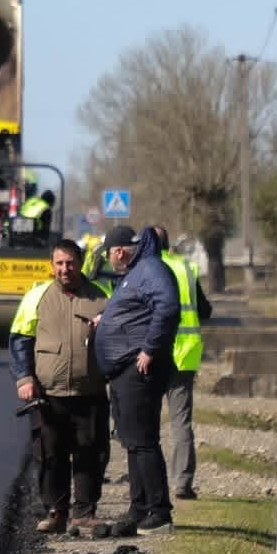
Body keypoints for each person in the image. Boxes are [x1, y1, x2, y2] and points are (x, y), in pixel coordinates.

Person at [7, 240, 111, 536]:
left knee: (90, 453)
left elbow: (118, 340)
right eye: (59, 263)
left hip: (89, 392)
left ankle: (84, 513)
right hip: (48, 394)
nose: (65, 269)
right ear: (52, 266)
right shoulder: (37, 296)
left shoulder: (103, 297)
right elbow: (19, 340)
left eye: (70, 263)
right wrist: (25, 378)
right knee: (50, 454)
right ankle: (56, 512)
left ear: (80, 263)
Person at [88, 223, 180, 537]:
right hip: (125, 370)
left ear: (119, 252)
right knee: (132, 442)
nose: (109, 261)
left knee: (143, 441)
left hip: (138, 369)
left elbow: (167, 307)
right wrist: (107, 319)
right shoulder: (138, 271)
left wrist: (150, 349)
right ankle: (138, 508)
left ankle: (159, 512)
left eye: (109, 255)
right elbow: (136, 310)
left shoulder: (151, 269)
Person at [149, 223, 212, 501]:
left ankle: (149, 481)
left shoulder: (146, 269)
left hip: (152, 355)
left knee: (146, 423)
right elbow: (205, 309)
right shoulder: (186, 268)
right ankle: (182, 483)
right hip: (184, 355)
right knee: (181, 422)